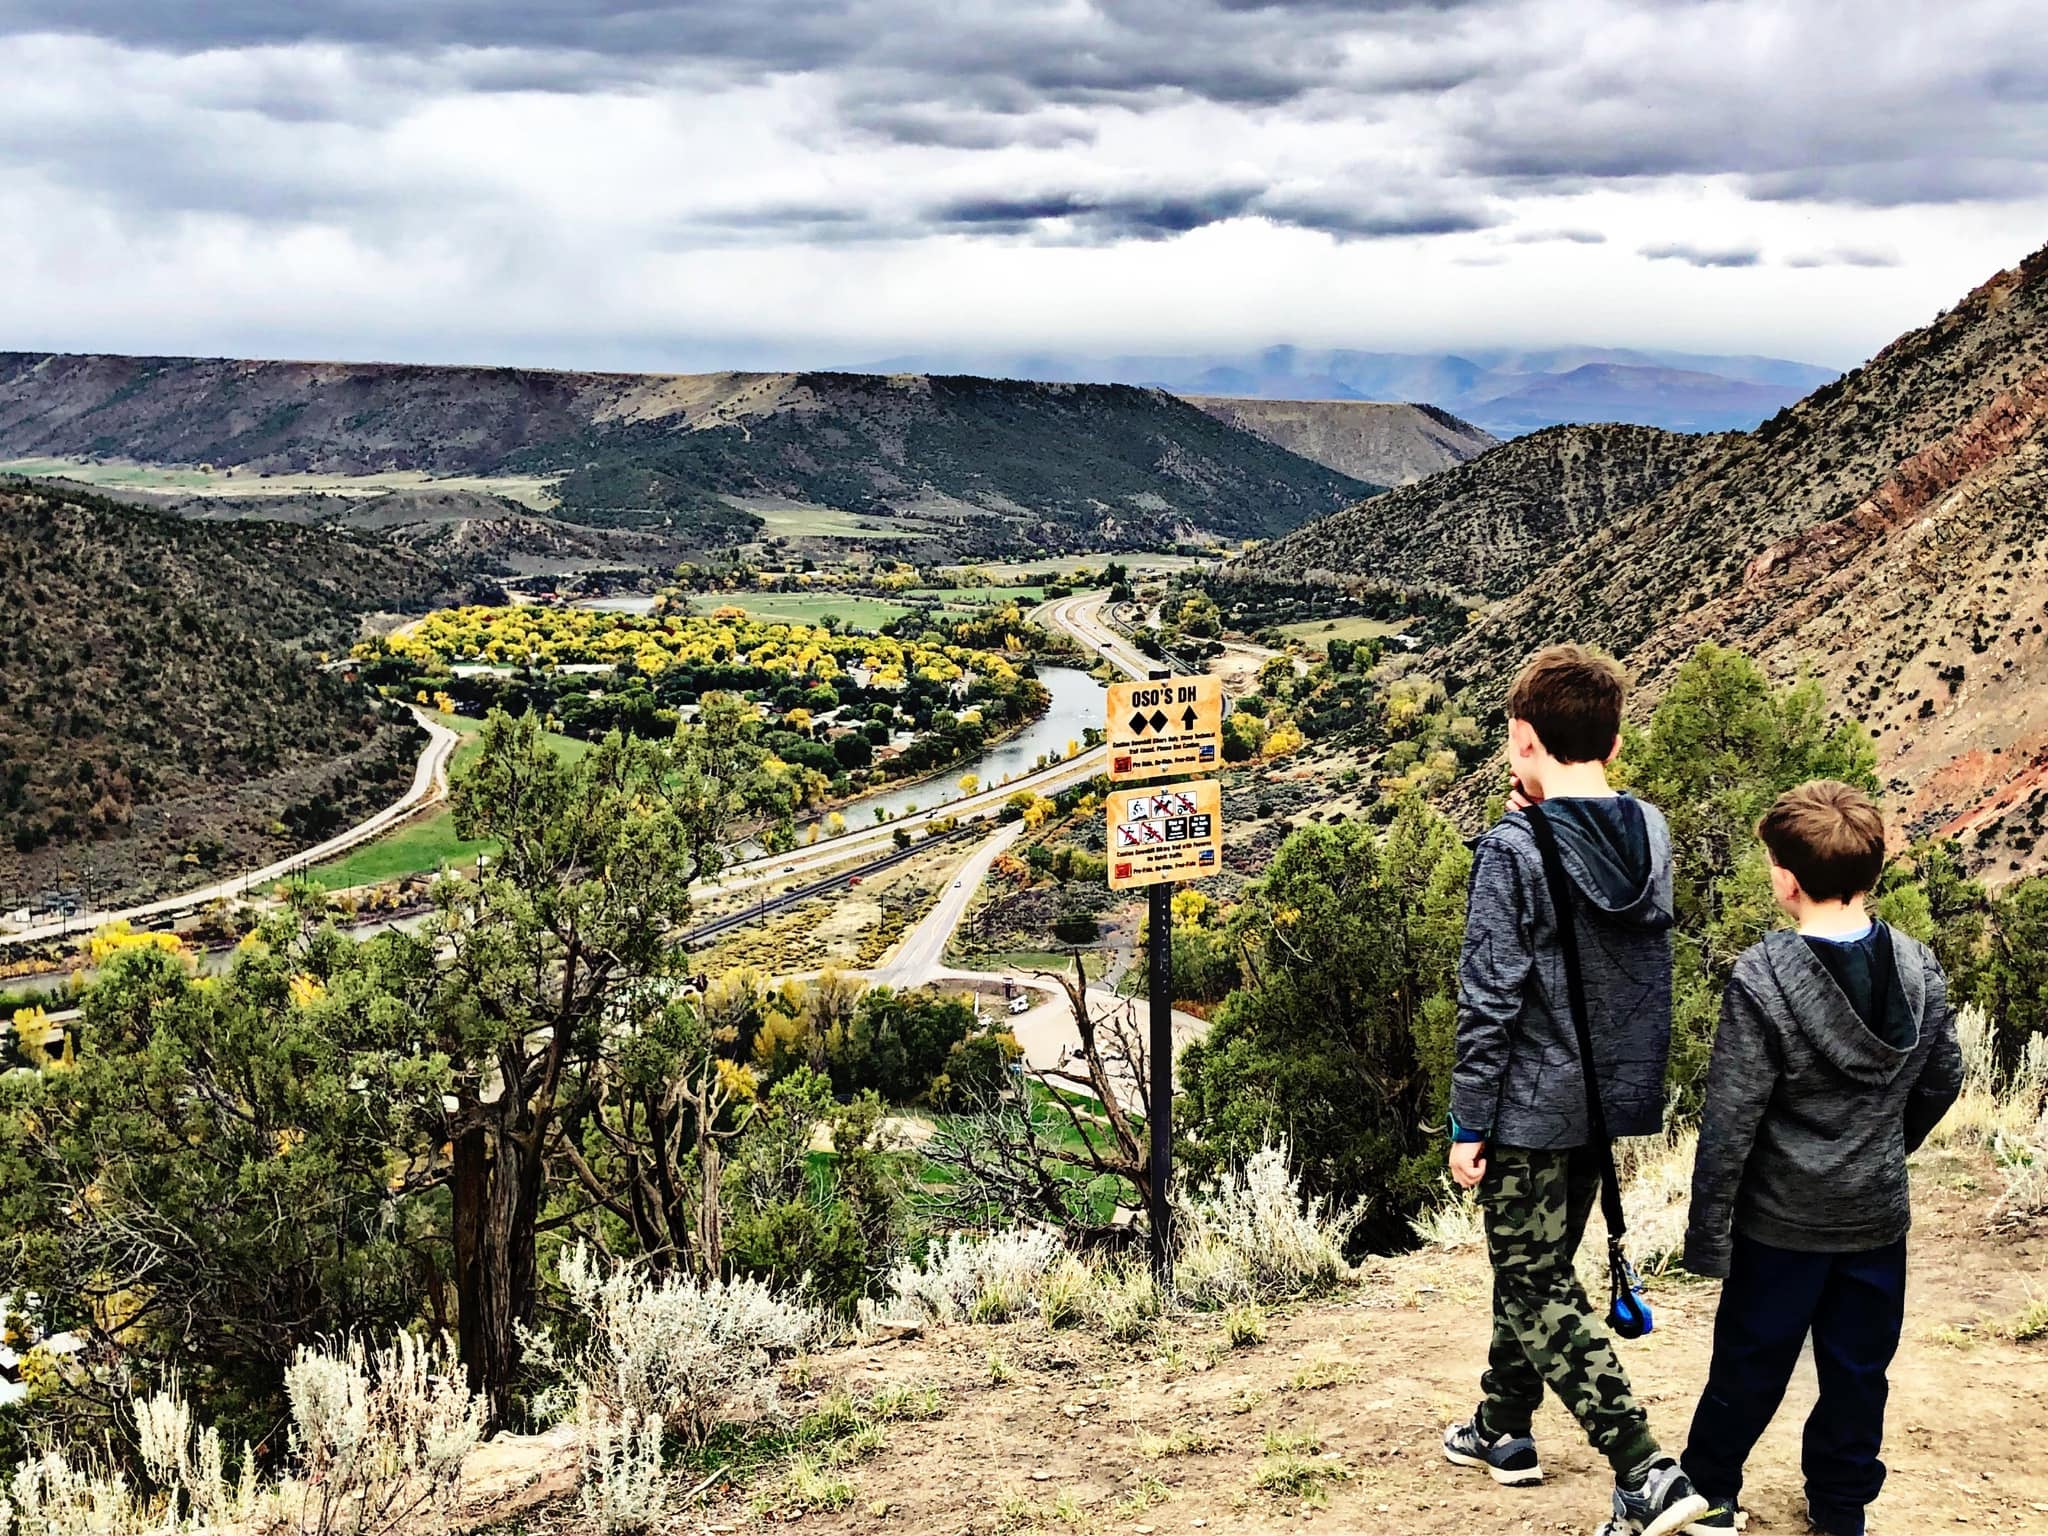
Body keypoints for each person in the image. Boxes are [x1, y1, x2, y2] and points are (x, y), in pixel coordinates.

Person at [1442, 644, 1708, 1536]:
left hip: (1526, 1106)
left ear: (1523, 741)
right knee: (1538, 1272)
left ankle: (1644, 1469)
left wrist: (1468, 1121)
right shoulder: (1651, 831)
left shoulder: (1511, 850)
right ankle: (1500, 1428)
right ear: (1615, 741)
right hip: (1606, 1098)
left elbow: (1489, 998)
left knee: (1535, 1281)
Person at [1679, 780, 1962, 1536]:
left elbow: (1731, 1119)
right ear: (1871, 874)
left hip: (1779, 1226)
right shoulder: (1918, 967)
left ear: (1787, 879)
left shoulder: (1763, 977)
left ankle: (1709, 1496)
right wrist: (1883, 1152)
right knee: (1858, 1373)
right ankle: (1841, 1512)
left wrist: (1706, 1236)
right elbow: (1944, 1078)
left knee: (1748, 1364)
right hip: (1875, 1219)